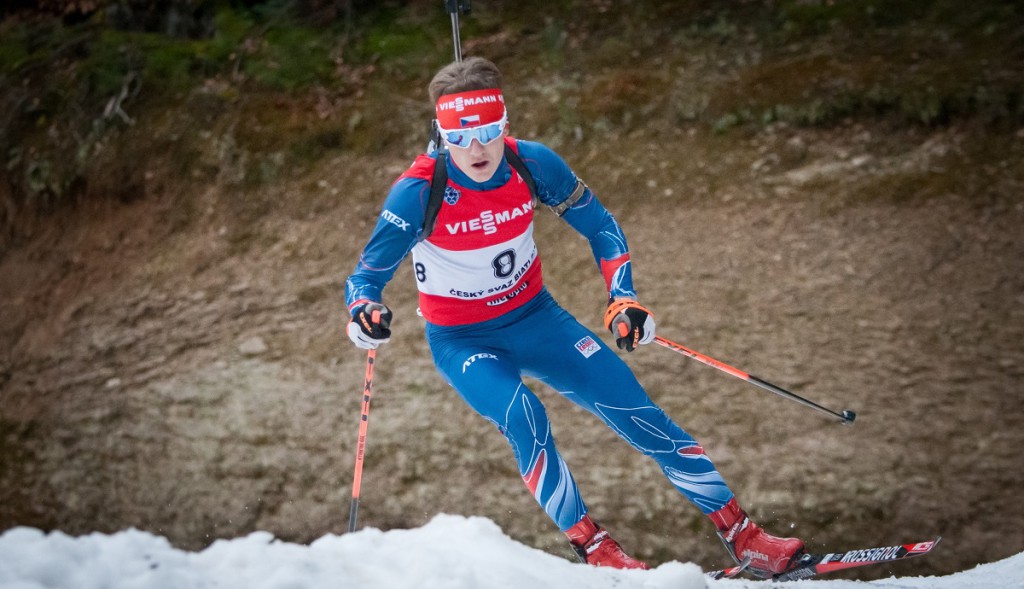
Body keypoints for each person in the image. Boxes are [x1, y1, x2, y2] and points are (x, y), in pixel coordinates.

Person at [343, 56, 804, 576]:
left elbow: (602, 226)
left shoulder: (532, 164)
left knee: (633, 406)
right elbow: (365, 276)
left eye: (489, 131)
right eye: (459, 136)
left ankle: (745, 537)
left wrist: (622, 297)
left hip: (538, 319)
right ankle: (597, 550)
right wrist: (364, 311)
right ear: (441, 134)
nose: (476, 149)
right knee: (525, 417)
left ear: (505, 124)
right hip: (464, 340)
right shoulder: (419, 191)